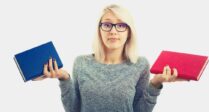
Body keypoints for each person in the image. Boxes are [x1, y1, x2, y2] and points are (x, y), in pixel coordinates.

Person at [34, 4, 185, 112]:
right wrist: (64, 78)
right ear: (99, 30)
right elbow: (73, 109)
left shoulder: (140, 64)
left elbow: (140, 110)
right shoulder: (81, 63)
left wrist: (156, 83)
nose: (113, 31)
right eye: (107, 25)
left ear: (129, 32)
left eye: (121, 25)